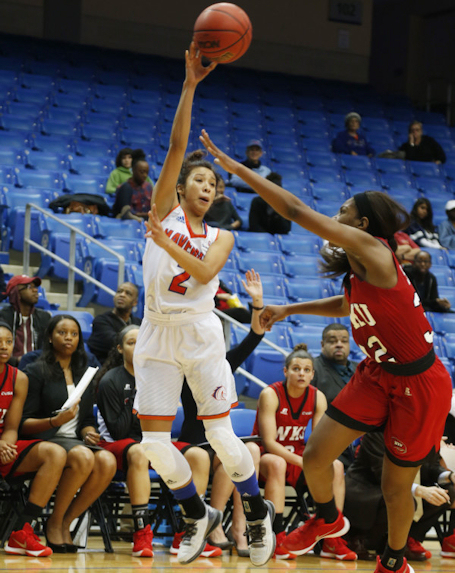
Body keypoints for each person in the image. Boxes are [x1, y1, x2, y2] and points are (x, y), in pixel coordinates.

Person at [200, 129, 453, 573]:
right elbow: (346, 305)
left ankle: (393, 561)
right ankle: (326, 521)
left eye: (344, 212)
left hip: (420, 382)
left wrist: (237, 170)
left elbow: (295, 209)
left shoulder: (374, 251)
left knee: (397, 487)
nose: (335, 217)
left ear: (362, 226)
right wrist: (286, 308)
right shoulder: (360, 273)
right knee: (317, 455)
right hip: (377, 373)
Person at [133, 43, 275, 567]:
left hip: (198, 332)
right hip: (154, 333)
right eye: (199, 178)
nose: (205, 184)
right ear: (182, 188)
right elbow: (175, 147)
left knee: (219, 433)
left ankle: (256, 508)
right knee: (152, 444)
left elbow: (204, 273)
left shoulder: (220, 237)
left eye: (212, 183)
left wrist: (165, 244)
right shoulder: (163, 210)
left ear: (215, 197)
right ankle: (196, 512)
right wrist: (190, 85)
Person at [95, 325, 220, 558]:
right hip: (117, 447)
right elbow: (119, 430)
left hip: (151, 443)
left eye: (142, 341)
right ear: (120, 348)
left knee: (199, 456)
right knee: (140, 452)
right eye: (132, 342)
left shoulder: (160, 379)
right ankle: (142, 533)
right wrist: (140, 395)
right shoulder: (109, 381)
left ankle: (187, 533)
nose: (139, 346)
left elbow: (163, 425)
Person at [21, 315, 117, 553]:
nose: (68, 338)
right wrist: (55, 420)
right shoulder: (35, 371)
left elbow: (84, 420)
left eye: (74, 334)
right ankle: (54, 523)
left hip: (74, 441)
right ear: (50, 337)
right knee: (84, 457)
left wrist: (89, 431)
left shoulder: (84, 373)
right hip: (45, 440)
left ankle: (64, 521)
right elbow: (23, 422)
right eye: (62, 333)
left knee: (107, 460)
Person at [253, 343, 356, 561]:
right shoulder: (270, 394)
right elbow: (270, 443)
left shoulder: (317, 397)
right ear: (285, 371)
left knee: (336, 465)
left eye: (307, 370)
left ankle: (331, 538)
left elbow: (320, 442)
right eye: (296, 369)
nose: (301, 373)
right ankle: (278, 534)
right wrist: (305, 463)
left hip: (298, 456)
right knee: (277, 463)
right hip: (267, 457)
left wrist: (314, 462)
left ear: (312, 374)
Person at [0, 321, 67, 557]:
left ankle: (21, 532)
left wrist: (6, 443)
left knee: (55, 453)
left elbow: (11, 426)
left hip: (2, 448)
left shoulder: (18, 378)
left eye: (8, 342)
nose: (4, 347)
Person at [344, 432, 454, 562]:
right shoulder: (378, 432)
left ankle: (408, 539)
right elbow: (381, 472)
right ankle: (358, 538)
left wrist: (449, 475)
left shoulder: (424, 432)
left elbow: (432, 467)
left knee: (450, 492)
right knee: (404, 500)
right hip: (367, 489)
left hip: (401, 489)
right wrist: (418, 490)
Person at [0, 275, 51, 366]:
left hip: (37, 368)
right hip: (8, 367)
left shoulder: (44, 317)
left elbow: (47, 349)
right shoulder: (3, 316)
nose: (35, 290)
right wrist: (17, 360)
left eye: (35, 287)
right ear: (16, 293)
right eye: (29, 287)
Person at [87, 282, 141, 364]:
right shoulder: (101, 321)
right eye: (119, 291)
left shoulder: (139, 323)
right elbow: (116, 342)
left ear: (135, 302)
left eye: (128, 293)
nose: (122, 295)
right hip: (106, 369)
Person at [112, 149, 153, 221]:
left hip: (147, 222)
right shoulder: (125, 187)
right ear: (133, 170)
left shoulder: (148, 186)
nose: (145, 175)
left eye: (146, 172)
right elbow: (124, 214)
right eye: (142, 172)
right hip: (129, 224)